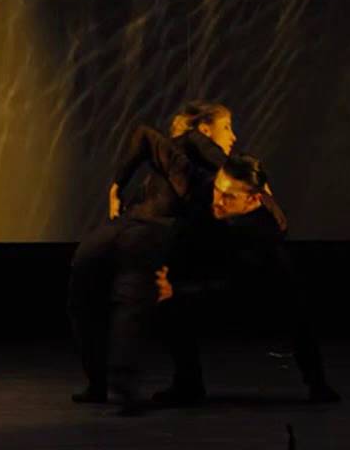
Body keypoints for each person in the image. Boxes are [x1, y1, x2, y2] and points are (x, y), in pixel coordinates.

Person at [66, 101, 232, 415]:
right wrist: (117, 185)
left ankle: (124, 383)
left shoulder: (202, 174)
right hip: (135, 224)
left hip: (151, 231)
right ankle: (104, 382)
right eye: (226, 127)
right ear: (204, 129)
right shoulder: (190, 146)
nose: (233, 136)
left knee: (137, 293)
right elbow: (147, 136)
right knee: (89, 283)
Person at [154, 154, 340, 405]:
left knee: (296, 312)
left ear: (253, 199)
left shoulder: (262, 235)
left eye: (229, 197)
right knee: (166, 300)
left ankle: (317, 383)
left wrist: (178, 290)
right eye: (217, 190)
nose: (218, 201)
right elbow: (184, 234)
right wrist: (167, 274)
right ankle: (188, 384)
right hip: (219, 281)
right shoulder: (212, 201)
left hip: (260, 298)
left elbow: (239, 286)